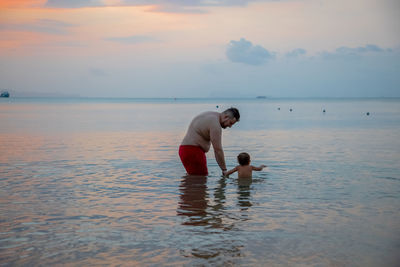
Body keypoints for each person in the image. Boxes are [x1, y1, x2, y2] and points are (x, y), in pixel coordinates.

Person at [179, 107, 240, 176]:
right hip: (193, 152)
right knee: (200, 180)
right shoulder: (215, 124)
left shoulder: (211, 115)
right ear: (226, 117)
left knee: (193, 180)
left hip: (186, 150)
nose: (230, 126)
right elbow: (218, 150)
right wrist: (224, 170)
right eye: (230, 123)